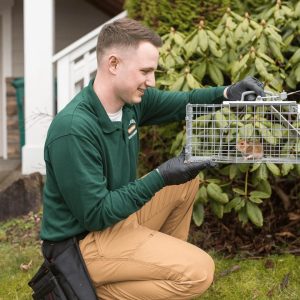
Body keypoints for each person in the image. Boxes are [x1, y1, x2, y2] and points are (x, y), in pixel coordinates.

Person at [40, 18, 265, 299]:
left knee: (183, 183)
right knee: (199, 272)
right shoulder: (73, 129)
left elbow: (182, 102)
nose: (152, 81)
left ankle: (151, 273)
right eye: (145, 71)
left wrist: (228, 93)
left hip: (116, 223)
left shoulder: (129, 104)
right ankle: (88, 289)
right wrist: (160, 176)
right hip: (80, 245)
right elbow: (97, 214)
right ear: (113, 64)